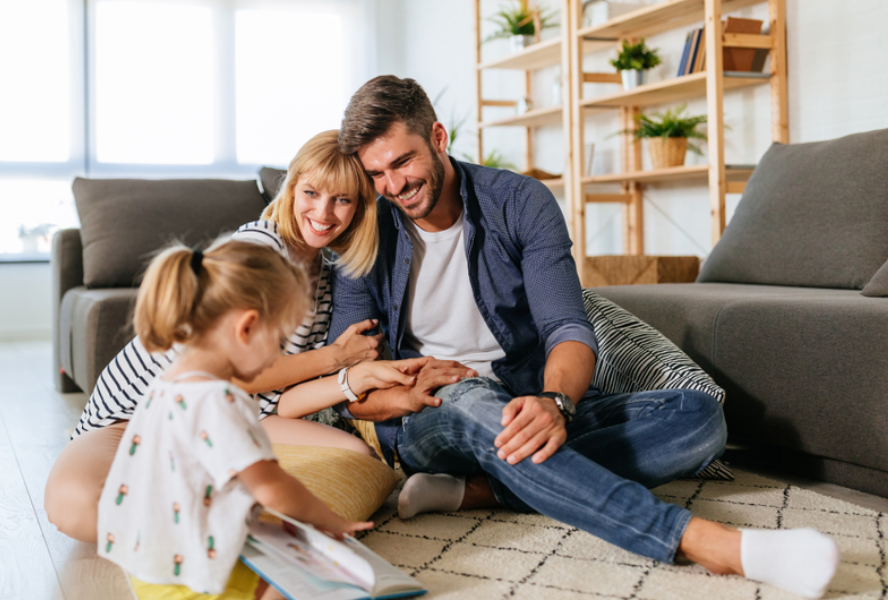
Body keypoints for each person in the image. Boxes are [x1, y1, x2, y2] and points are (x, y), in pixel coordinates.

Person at [328, 75, 839, 599]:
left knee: (700, 418)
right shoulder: (367, 228)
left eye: (402, 162)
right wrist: (407, 395)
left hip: (525, 398)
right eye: (376, 174)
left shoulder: (519, 201)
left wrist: (554, 401)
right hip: (433, 415)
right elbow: (348, 389)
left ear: (437, 137)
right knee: (475, 399)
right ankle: (710, 543)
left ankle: (484, 491)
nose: (392, 186)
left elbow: (566, 327)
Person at [45, 130, 403, 544]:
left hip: (230, 415)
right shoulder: (258, 248)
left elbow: (274, 397)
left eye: (342, 199)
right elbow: (240, 374)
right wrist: (336, 358)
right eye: (311, 192)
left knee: (359, 463)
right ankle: (214, 520)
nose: (324, 212)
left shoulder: (326, 277)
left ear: (359, 208)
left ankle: (227, 518)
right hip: (132, 419)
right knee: (81, 505)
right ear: (291, 189)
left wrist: (351, 380)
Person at [98, 237, 406, 598]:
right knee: (317, 581)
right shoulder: (220, 400)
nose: (279, 356)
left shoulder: (167, 384)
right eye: (279, 342)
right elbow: (272, 486)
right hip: (197, 578)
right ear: (246, 328)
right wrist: (329, 520)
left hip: (149, 569)